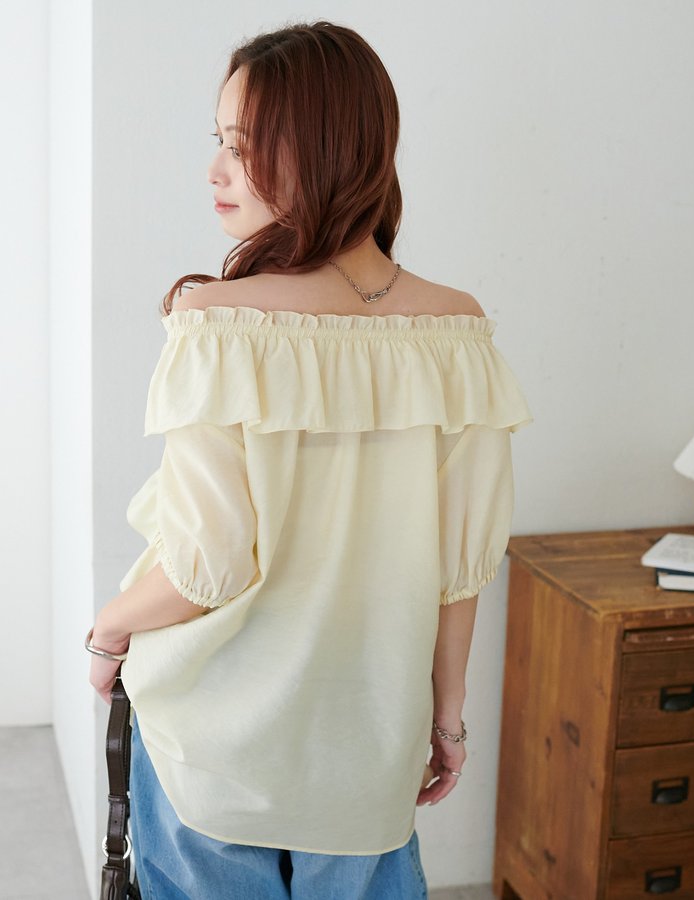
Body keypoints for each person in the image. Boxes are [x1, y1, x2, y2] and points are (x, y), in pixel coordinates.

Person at [87, 19, 532, 900]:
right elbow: (461, 569)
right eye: (218, 140)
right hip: (369, 748)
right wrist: (445, 721)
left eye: (241, 145)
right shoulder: (457, 331)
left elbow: (207, 567)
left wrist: (107, 630)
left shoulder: (217, 323)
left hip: (214, 745)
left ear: (320, 147)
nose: (214, 170)